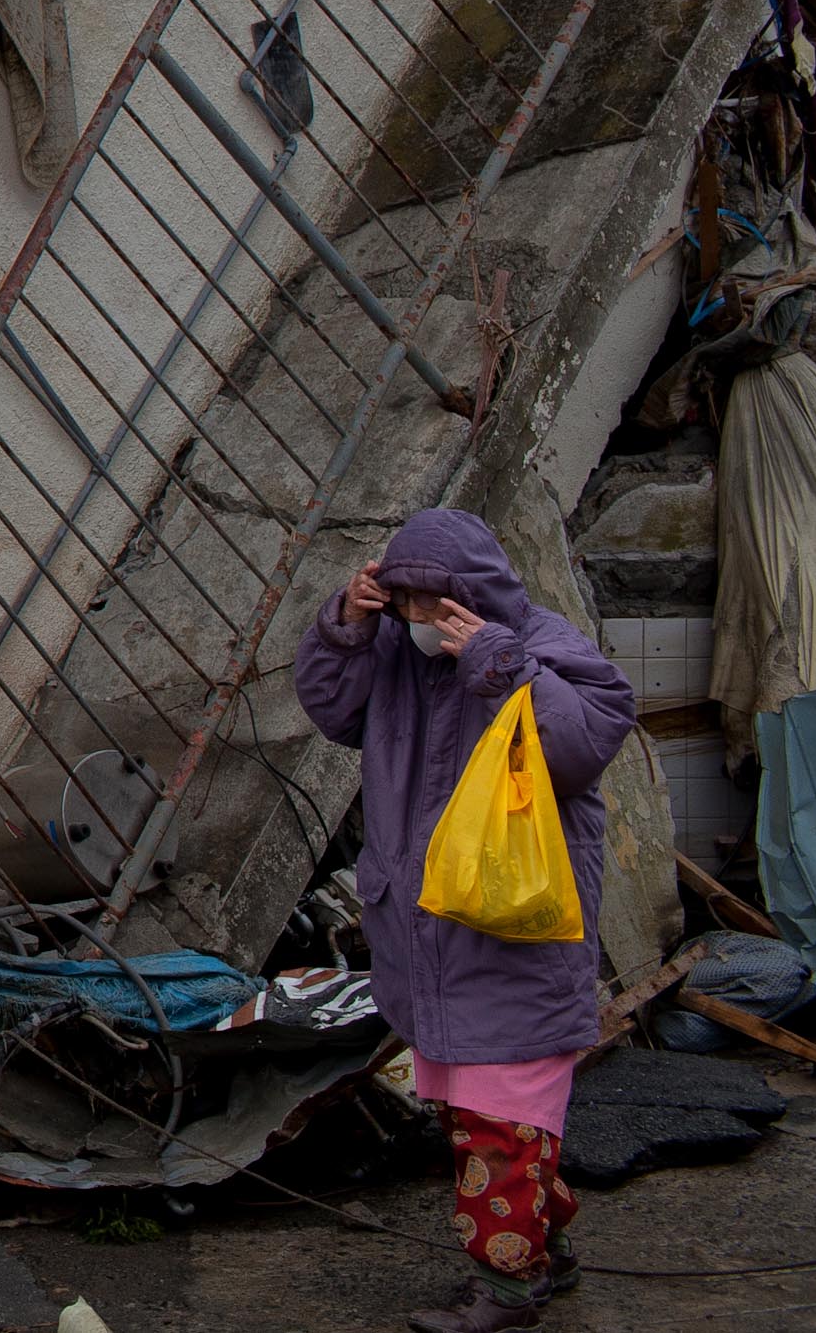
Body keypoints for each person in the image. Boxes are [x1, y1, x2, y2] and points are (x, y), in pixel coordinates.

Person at [296, 508, 636, 1332]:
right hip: (429, 932)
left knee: (498, 1117)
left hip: (512, 933)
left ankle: (507, 1289)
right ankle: (543, 1244)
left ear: (468, 594)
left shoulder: (540, 642)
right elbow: (331, 709)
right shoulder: (395, 656)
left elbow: (590, 735)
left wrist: (499, 663)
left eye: (427, 601)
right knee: (482, 1109)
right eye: (402, 600)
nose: (414, 619)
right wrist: (347, 622)